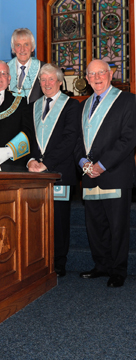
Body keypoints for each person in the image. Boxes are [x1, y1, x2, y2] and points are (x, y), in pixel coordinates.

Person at [74, 59, 136, 287]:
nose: (96, 77)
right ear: (87, 79)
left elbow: (129, 139)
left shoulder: (128, 101)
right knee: (95, 224)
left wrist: (102, 164)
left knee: (117, 225)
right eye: (91, 74)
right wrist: (83, 163)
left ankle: (118, 270)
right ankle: (101, 265)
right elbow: (78, 141)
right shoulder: (83, 105)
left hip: (115, 173)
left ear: (110, 75)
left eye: (101, 73)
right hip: (89, 175)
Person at [28, 63, 80, 277]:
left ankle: (59, 262)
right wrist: (31, 159)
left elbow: (70, 140)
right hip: (35, 173)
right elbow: (29, 137)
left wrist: (46, 163)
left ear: (59, 82)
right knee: (36, 219)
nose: (47, 83)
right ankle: (40, 260)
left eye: (51, 79)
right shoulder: (33, 106)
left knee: (58, 221)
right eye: (43, 80)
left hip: (59, 172)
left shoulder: (71, 106)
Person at [7, 28, 45, 104]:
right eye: (18, 45)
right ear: (13, 49)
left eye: (26, 44)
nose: (22, 49)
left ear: (33, 48)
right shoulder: (5, 70)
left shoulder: (43, 68)